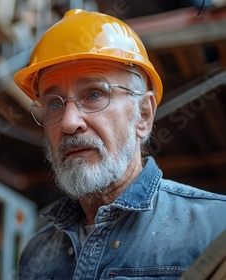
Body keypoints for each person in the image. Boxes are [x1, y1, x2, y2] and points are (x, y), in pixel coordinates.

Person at [13, 9, 226, 279]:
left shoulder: (215, 228)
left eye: (94, 94)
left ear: (143, 115)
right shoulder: (37, 255)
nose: (68, 122)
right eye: (53, 103)